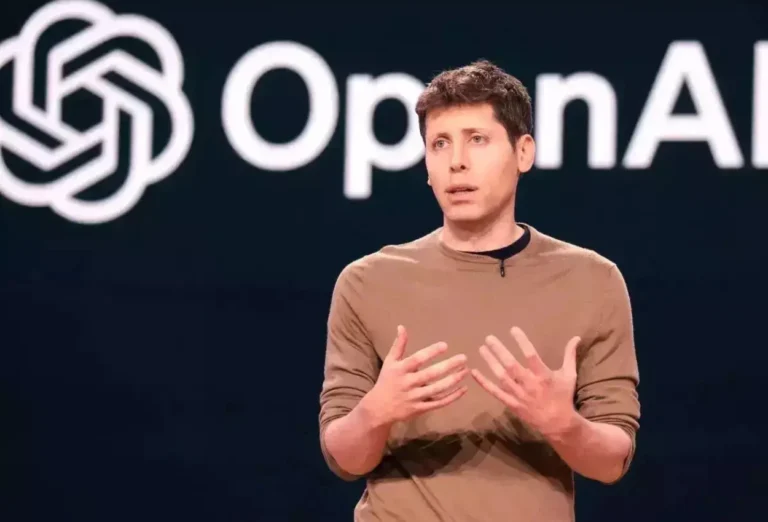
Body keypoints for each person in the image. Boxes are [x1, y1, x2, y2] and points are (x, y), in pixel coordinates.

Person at [318, 59, 640, 521]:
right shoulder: (367, 282)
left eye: (477, 139)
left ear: (523, 152)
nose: (457, 161)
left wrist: (564, 425)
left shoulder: (592, 281)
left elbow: (611, 463)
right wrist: (376, 413)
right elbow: (345, 459)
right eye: (440, 144)